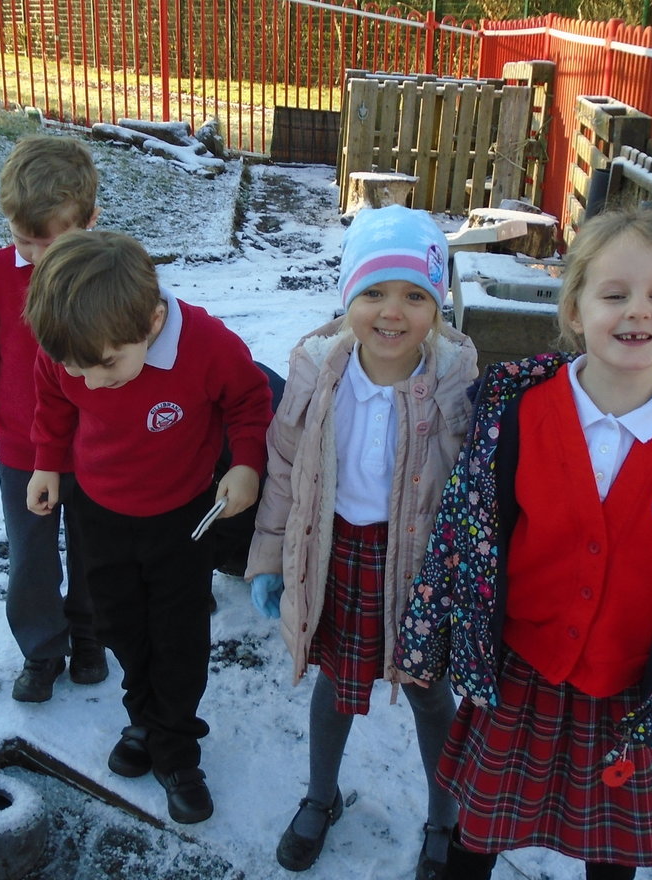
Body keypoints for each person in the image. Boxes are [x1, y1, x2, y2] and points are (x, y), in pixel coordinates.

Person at [393, 206, 652, 879]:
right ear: (574, 310)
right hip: (520, 669)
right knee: (480, 825)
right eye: (615, 293)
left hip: (628, 687)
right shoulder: (517, 415)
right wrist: (428, 639)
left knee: (613, 850)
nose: (639, 311)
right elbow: (461, 534)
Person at [245, 204, 479, 878]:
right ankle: (321, 797)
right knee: (336, 683)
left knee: (430, 694)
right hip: (336, 554)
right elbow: (287, 468)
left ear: (438, 303)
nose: (392, 313)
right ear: (349, 295)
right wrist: (267, 557)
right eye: (373, 292)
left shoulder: (454, 384)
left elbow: (474, 491)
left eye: (415, 295)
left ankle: (445, 817)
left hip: (422, 564)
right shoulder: (320, 373)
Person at [23, 229, 274, 825]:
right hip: (98, 509)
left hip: (181, 517)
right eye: (75, 369)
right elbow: (53, 402)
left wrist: (245, 465)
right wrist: (46, 464)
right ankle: (146, 716)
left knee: (176, 632)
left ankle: (176, 750)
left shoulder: (205, 344)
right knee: (119, 622)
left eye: (107, 365)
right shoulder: (75, 349)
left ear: (153, 321)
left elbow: (249, 400)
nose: (91, 383)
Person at [0, 135, 105, 704]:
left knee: (94, 549)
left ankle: (89, 634)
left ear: (90, 220)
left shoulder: (105, 273)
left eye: (49, 242)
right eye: (23, 242)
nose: (36, 257)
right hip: (20, 447)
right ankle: (42, 649)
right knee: (31, 556)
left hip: (93, 447)